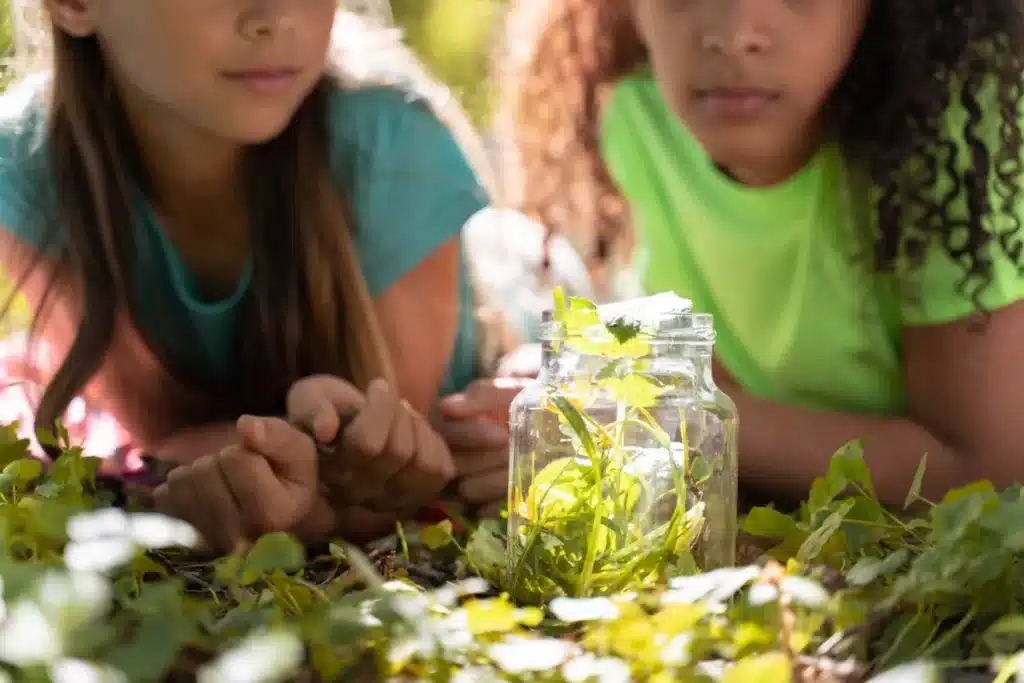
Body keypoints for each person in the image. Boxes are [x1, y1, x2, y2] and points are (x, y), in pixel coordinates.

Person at [0, 0, 507, 551]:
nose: (273, 16)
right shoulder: (27, 164)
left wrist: (298, 464)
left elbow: (380, 482)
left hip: (506, 295)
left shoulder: (393, 145)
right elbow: (162, 437)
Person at [486, 0, 1024, 506]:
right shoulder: (642, 121)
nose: (735, 34)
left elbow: (987, 472)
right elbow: (723, 388)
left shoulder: (954, 140)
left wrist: (657, 414)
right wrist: (579, 391)